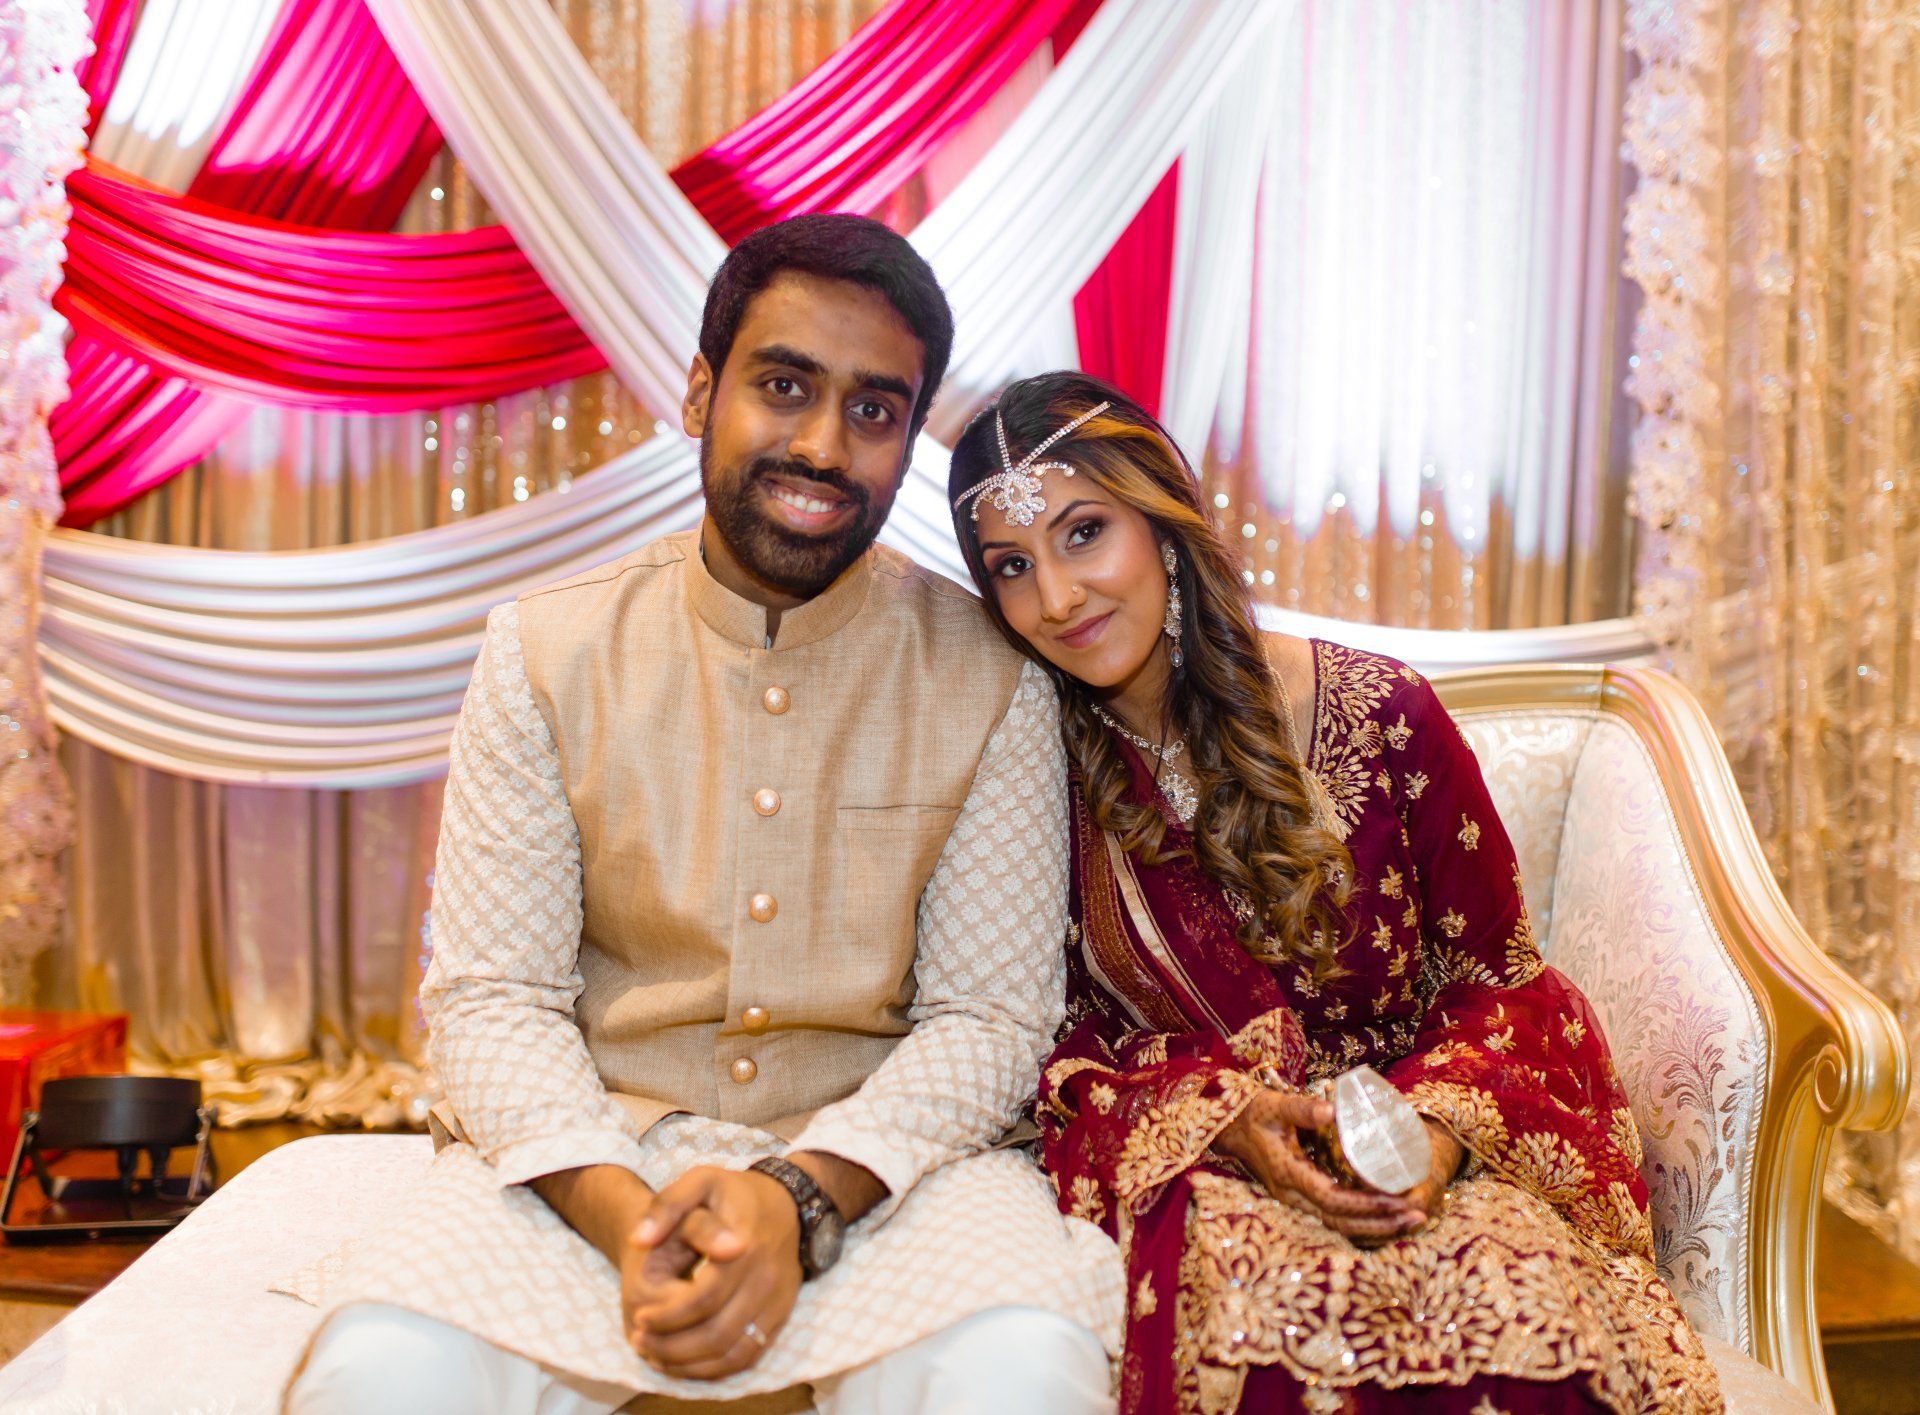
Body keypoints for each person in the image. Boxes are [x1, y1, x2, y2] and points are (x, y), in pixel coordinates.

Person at [281, 216, 1121, 1415]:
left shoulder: (993, 674)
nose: (825, 445)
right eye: (785, 386)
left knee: (1026, 1373)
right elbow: (491, 995)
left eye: (875, 412)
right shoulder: (545, 649)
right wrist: (627, 1215)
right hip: (585, 1162)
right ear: (698, 391)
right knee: (379, 1370)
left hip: (888, 1172)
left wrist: (798, 1196)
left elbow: (989, 1017)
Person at [944, 371, 1722, 1415]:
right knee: (1274, 1351)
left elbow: (1507, 985)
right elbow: (1047, 1041)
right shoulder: (1028, 774)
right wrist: (1227, 1117)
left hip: (1428, 1156)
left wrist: (1435, 1134)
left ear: (1164, 517)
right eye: (1012, 566)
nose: (1057, 597)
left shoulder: (1382, 709)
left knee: (1529, 1334)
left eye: (1085, 533)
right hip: (1216, 1169)